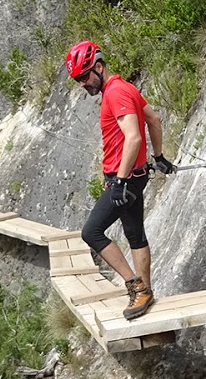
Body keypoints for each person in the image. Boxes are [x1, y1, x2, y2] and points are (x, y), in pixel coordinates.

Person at [67, 40, 175, 321]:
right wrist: (159, 156)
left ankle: (135, 286)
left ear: (98, 67)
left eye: (84, 76)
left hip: (125, 180)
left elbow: (134, 137)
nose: (82, 84)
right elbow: (154, 119)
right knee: (135, 235)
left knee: (91, 232)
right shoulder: (125, 88)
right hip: (133, 178)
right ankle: (145, 292)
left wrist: (120, 181)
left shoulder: (115, 93)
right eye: (77, 80)